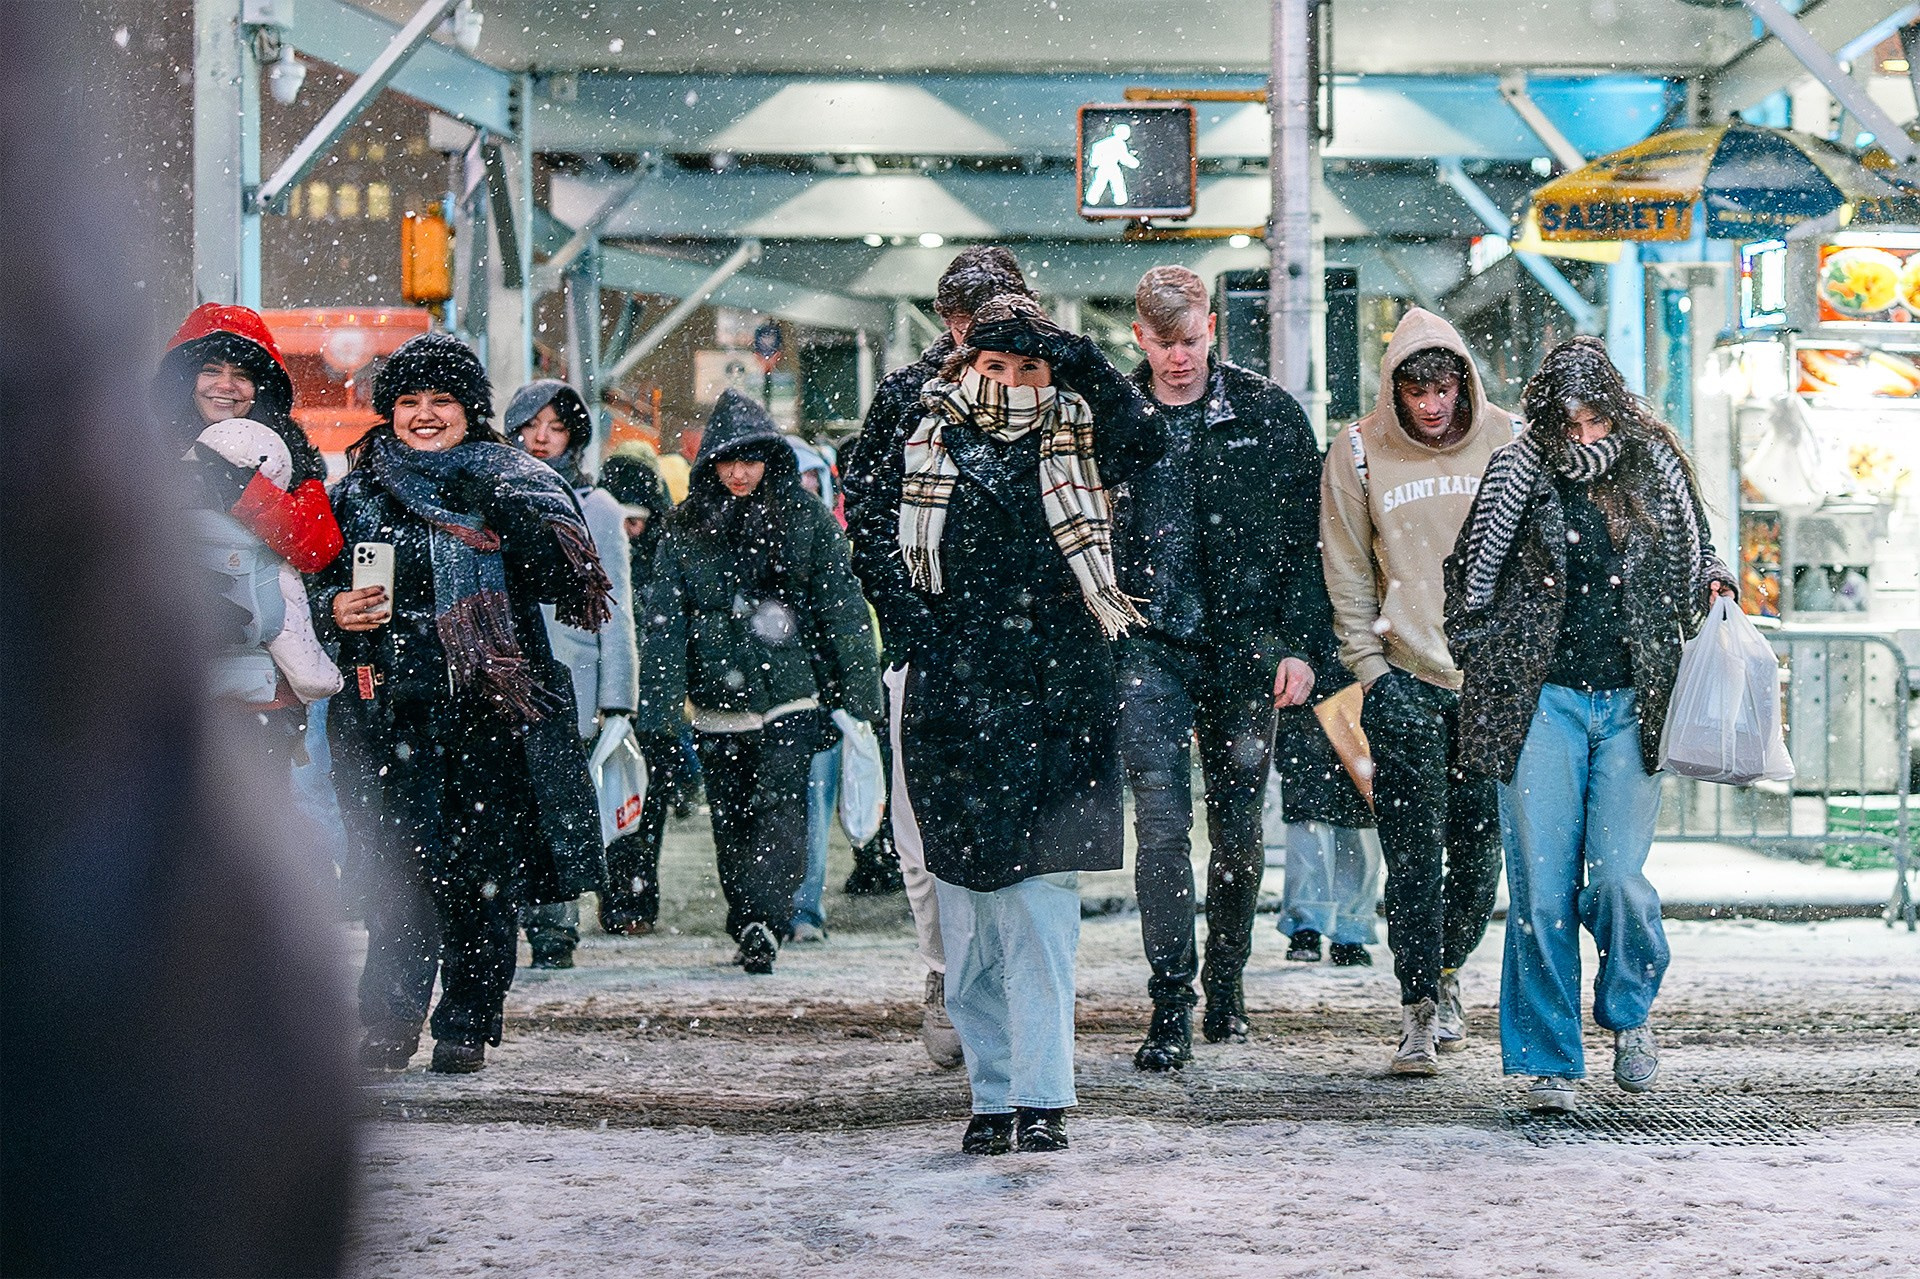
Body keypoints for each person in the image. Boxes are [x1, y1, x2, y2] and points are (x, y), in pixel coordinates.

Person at [856, 292, 1166, 1154]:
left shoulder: (1080, 428)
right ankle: (990, 1091)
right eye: (996, 363)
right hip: (954, 700)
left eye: (1031, 365)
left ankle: (1042, 1093)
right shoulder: (924, 430)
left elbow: (1147, 438)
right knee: (967, 913)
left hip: (1058, 698)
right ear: (968, 364)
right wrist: (915, 627)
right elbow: (871, 530)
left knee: (1039, 907)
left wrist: (1079, 355)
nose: (1014, 380)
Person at [1445, 337, 1734, 1114]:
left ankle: (1629, 1011)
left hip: (1636, 700)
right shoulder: (1518, 466)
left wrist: (1714, 582)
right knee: (1541, 890)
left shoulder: (1654, 461)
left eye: (1595, 419)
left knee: (1618, 880)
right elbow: (1470, 575)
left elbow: (1697, 553)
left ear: (1615, 408)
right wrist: (1485, 656)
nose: (1583, 436)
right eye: (1568, 422)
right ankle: (1550, 1062)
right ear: (1546, 416)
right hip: (1539, 701)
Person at [318, 333, 612, 1075]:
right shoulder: (355, 492)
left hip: (491, 713)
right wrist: (334, 609)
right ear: (389, 412)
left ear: (470, 410)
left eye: (441, 400)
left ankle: (467, 1020)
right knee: (398, 875)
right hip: (390, 712)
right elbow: (311, 588)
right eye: (408, 401)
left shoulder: (513, 483)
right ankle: (390, 1017)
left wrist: (515, 521)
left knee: (482, 876)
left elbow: (561, 583)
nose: (423, 415)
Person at [1113, 267, 1327, 1071]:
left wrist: (1301, 644)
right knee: (1162, 827)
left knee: (1237, 835)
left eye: (1192, 340)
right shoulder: (1116, 419)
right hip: (1148, 642)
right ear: (1140, 337)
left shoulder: (1267, 415)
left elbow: (1308, 541)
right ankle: (1171, 998)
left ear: (1212, 329)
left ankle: (1225, 981)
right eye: (1165, 344)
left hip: (1245, 648)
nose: (1180, 358)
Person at [844, 245, 1036, 1068]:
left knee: (1023, 828)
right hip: (930, 644)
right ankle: (945, 968)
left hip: (1024, 648)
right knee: (921, 829)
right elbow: (869, 510)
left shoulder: (1051, 388)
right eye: (963, 324)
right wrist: (910, 621)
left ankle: (1011, 978)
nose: (973, 338)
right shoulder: (906, 395)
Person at [1319, 307, 1518, 1076]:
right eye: (1416, 390)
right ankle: (1417, 1005)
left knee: (1478, 855)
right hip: (1404, 675)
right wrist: (1369, 669)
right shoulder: (1359, 450)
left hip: (1489, 683)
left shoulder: (1509, 438)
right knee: (1410, 855)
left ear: (1464, 382)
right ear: (1395, 390)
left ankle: (1447, 966)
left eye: (1443, 387)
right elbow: (1346, 567)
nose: (1432, 404)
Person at [634, 390, 881, 974]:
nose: (739, 473)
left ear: (770, 459)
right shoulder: (685, 528)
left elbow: (841, 609)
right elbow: (665, 624)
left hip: (791, 696)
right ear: (710, 464)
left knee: (780, 812)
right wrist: (659, 713)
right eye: (728, 461)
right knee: (732, 819)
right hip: (718, 704)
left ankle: (766, 918)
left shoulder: (805, 519)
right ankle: (750, 915)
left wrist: (857, 695)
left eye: (750, 460)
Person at [157, 304, 346, 772]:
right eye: (211, 370)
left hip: (263, 699)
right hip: (166, 690)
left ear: (260, 387)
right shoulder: (142, 447)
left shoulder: (288, 450)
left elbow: (318, 545)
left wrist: (243, 491)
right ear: (186, 378)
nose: (225, 385)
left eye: (241, 374)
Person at [506, 379, 641, 968]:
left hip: (571, 677)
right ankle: (506, 916)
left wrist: (619, 699)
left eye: (555, 427)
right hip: (504, 673)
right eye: (531, 425)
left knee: (561, 803)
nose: (541, 438)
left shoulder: (598, 508)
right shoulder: (493, 493)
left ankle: (555, 928)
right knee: (509, 801)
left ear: (574, 437)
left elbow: (616, 606)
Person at [597, 444, 679, 935]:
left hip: (653, 710)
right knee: (622, 807)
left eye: (639, 521)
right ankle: (623, 900)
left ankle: (634, 902)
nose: (632, 531)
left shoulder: (663, 561)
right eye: (625, 521)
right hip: (621, 706)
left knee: (643, 810)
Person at [1273, 709, 1384, 966]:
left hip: (1355, 711)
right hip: (1310, 715)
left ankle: (1344, 927)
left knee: (1356, 830)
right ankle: (1314, 925)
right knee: (1311, 827)